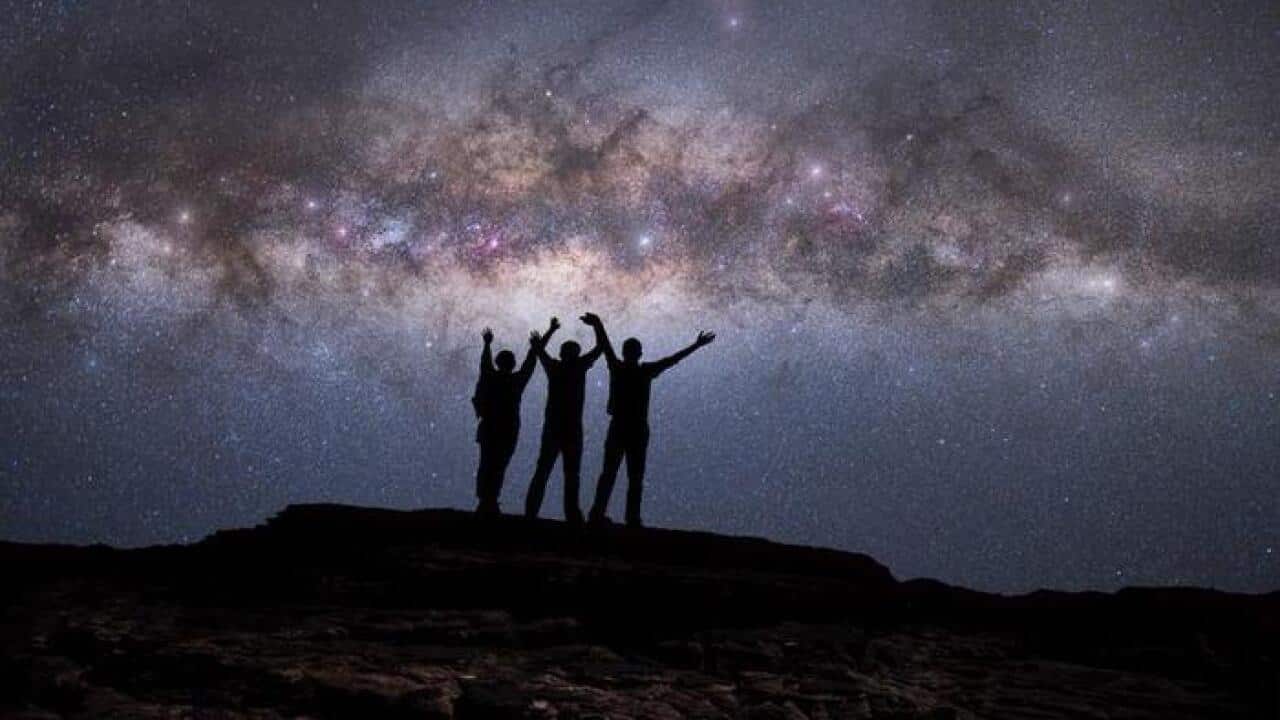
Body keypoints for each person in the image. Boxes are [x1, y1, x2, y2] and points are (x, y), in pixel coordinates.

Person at [582, 313, 714, 527]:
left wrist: (598, 324)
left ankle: (600, 513)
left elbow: (606, 346)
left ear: (625, 352)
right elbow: (672, 359)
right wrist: (696, 345)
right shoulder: (644, 371)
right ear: (639, 353)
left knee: (612, 473)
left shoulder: (620, 367)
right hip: (635, 428)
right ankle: (630, 518)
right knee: (633, 476)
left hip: (622, 426)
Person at [523, 316, 604, 523]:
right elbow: (600, 348)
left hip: (555, 426)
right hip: (571, 428)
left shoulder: (555, 367)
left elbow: (539, 350)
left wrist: (550, 331)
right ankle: (571, 514)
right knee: (570, 473)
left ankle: (532, 511)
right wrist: (597, 326)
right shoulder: (578, 366)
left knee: (545, 469)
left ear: (562, 353)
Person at [472, 322, 553, 516]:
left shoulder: (492, 377)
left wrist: (487, 344)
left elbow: (485, 365)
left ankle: (486, 500)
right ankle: (489, 500)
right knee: (498, 466)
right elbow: (530, 362)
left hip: (491, 428)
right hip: (507, 429)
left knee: (487, 464)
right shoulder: (516, 381)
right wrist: (540, 341)